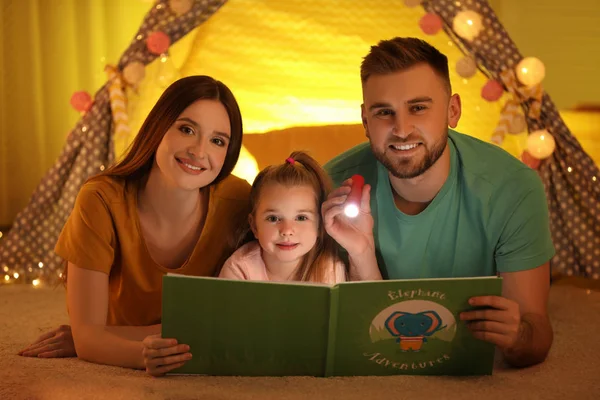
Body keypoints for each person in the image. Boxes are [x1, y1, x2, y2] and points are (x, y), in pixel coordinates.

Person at [321, 37, 555, 368]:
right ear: (365, 121)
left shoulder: (514, 189)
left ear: (452, 110)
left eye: (418, 108)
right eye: (384, 112)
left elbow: (536, 330)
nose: (401, 129)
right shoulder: (331, 186)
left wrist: (518, 336)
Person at [18, 75, 252, 375]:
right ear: (158, 129)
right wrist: (137, 353)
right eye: (186, 129)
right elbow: (88, 338)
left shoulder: (241, 202)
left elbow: (242, 321)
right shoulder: (101, 199)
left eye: (217, 140)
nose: (199, 150)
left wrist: (96, 337)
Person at [218, 151, 350, 284]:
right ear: (254, 226)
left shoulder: (330, 270)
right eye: (273, 218)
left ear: (319, 225)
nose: (287, 230)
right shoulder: (239, 269)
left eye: (301, 218)